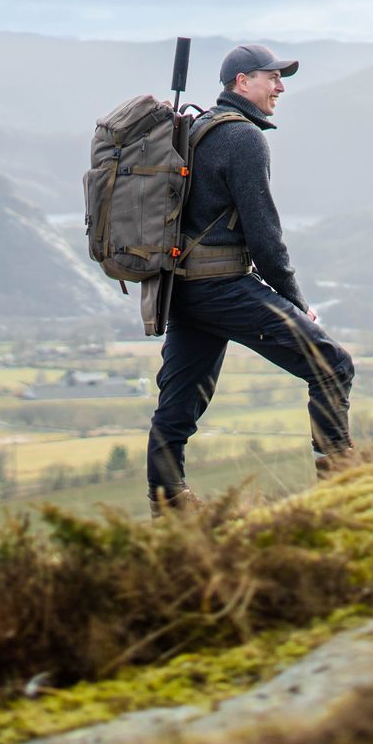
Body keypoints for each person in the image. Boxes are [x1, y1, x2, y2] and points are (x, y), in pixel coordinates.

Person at [147, 43, 356, 510]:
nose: (280, 87)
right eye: (272, 77)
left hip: (181, 292)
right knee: (332, 365)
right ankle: (342, 484)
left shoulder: (195, 128)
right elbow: (265, 237)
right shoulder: (243, 138)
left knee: (176, 406)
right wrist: (297, 302)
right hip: (222, 288)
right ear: (242, 82)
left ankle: (168, 504)